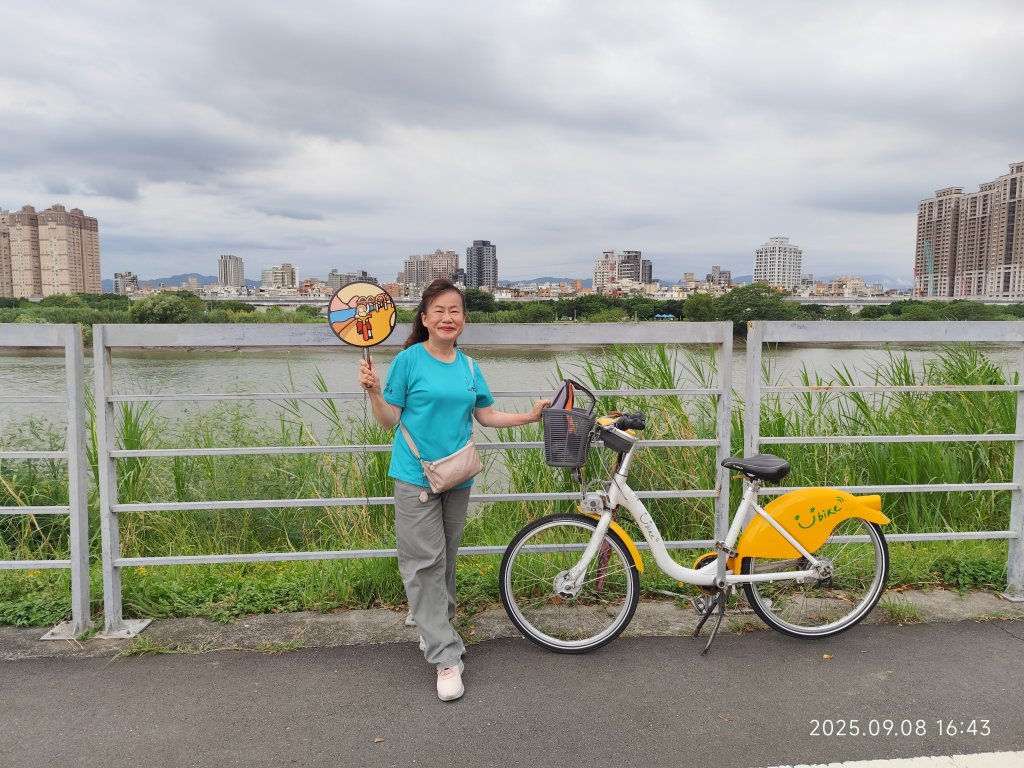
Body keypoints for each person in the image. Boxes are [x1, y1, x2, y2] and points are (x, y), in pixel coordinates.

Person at [357, 278, 549, 702]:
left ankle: (433, 622)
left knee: (444, 556)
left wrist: (531, 416)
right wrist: (374, 391)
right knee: (423, 561)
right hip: (414, 475)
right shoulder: (409, 361)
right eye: (439, 311)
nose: (448, 318)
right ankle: (445, 655)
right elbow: (389, 421)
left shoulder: (469, 367)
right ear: (424, 319)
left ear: (464, 319)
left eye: (455, 310)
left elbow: (488, 416)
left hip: (458, 475)